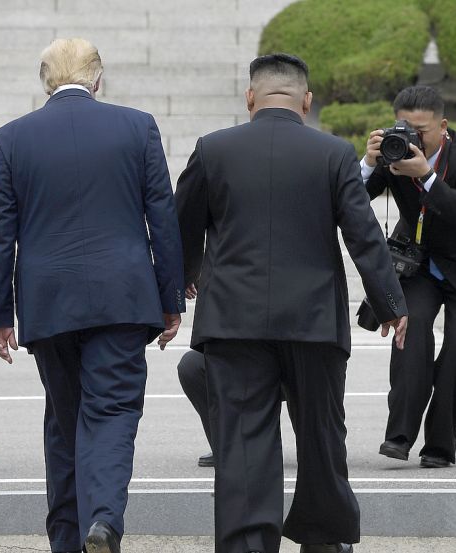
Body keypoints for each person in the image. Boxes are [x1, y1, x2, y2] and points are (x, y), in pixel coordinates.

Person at [176, 53, 408, 553]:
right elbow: (363, 235)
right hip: (314, 321)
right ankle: (323, 540)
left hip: (232, 322)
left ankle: (246, 545)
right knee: (322, 437)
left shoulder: (212, 149)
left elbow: (184, 226)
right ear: (306, 101)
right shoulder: (334, 153)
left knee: (242, 447)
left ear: (250, 98)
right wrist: (390, 304)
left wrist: (183, 281)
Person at [0, 38, 186, 553]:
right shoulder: (137, 126)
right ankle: (104, 519)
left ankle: (67, 540)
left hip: (48, 301)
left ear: (45, 80)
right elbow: (161, 217)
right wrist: (171, 299)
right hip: (123, 295)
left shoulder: (10, 139)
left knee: (63, 416)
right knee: (113, 410)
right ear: (98, 79)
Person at [361, 85, 456, 469]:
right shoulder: (391, 153)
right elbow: (351, 201)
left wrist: (426, 176)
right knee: (412, 337)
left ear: (443, 126)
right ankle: (399, 436)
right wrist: (366, 163)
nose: (413, 139)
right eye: (405, 128)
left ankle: (440, 442)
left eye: (422, 130)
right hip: (419, 265)